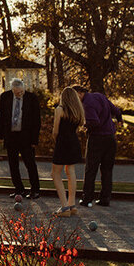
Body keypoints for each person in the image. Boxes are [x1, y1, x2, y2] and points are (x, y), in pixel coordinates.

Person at [0, 78, 42, 199]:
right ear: (12, 90)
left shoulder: (32, 98)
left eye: (21, 92)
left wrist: (34, 140)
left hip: (26, 136)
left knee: (30, 163)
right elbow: (1, 117)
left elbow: (37, 120)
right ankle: (19, 189)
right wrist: (0, 135)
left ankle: (35, 190)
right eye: (17, 93)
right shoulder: (5, 97)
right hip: (11, 136)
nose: (19, 94)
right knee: (13, 164)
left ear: (23, 89)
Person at [78, 86, 122, 207]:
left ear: (80, 93)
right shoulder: (100, 96)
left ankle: (87, 198)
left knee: (91, 169)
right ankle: (105, 198)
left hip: (97, 138)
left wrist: (84, 126)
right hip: (110, 138)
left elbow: (94, 121)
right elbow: (116, 110)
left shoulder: (87, 103)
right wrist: (119, 119)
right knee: (107, 169)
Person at [50, 86, 86, 216]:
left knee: (55, 174)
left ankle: (64, 207)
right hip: (74, 142)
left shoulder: (59, 110)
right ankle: (72, 205)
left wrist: (56, 141)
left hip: (62, 143)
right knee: (71, 172)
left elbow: (55, 131)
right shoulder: (78, 111)